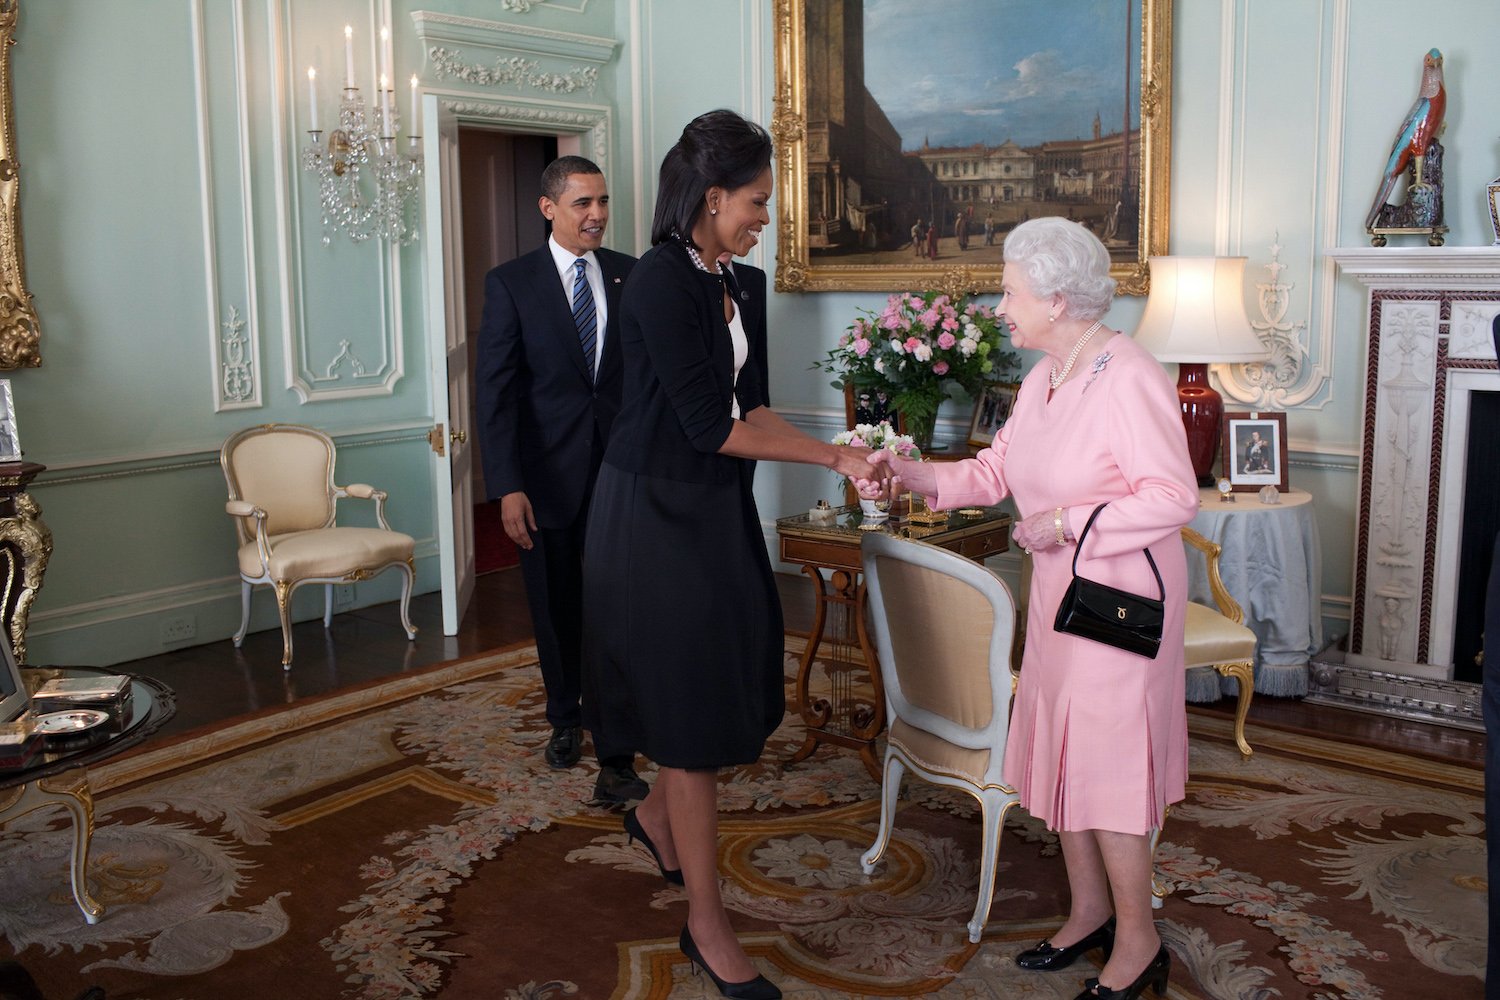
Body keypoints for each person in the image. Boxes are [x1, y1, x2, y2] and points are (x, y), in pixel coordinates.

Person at [583, 109, 884, 1000]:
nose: (766, 218)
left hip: (711, 512)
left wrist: (852, 447)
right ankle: (707, 926)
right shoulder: (657, 285)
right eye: (756, 202)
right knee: (687, 721)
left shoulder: (739, 283)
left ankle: (651, 815)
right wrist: (833, 457)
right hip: (650, 516)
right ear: (712, 199)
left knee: (726, 687)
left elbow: (750, 411)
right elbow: (708, 427)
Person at [860, 216, 1197, 1000]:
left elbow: (1173, 497)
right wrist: (914, 476)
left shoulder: (1129, 372)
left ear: (1053, 295)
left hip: (1122, 603)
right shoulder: (1048, 374)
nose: (1000, 307)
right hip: (1058, 593)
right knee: (1068, 752)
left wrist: (1064, 523)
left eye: (1009, 291)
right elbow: (996, 467)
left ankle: (1138, 943)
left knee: (1108, 766)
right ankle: (1087, 913)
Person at [474, 155, 648, 805]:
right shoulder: (511, 284)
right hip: (543, 483)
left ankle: (618, 750)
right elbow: (497, 395)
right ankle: (564, 718)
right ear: (549, 208)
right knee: (555, 609)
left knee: (618, 613)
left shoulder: (633, 275)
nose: (598, 214)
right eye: (583, 203)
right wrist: (507, 485)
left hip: (622, 480)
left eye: (603, 201)